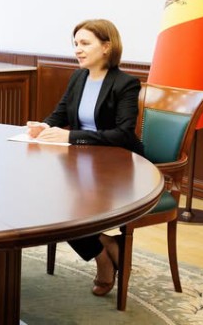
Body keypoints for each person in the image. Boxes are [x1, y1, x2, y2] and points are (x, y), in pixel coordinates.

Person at [26, 18, 143, 297]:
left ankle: (103, 259)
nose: (77, 49)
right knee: (49, 203)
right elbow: (61, 113)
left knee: (67, 209)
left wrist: (72, 137)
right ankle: (105, 247)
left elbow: (123, 134)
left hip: (118, 164)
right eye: (76, 43)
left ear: (106, 47)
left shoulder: (125, 84)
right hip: (82, 160)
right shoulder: (78, 77)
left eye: (85, 43)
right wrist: (43, 126)